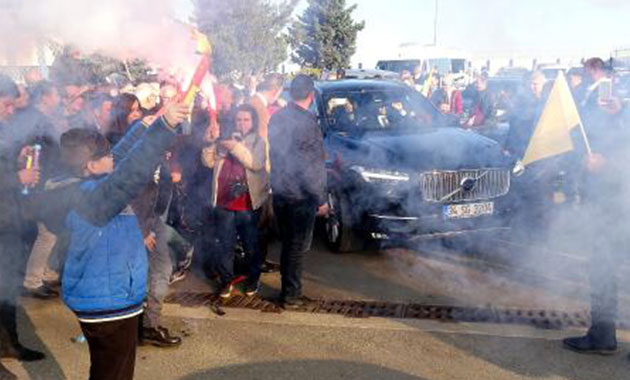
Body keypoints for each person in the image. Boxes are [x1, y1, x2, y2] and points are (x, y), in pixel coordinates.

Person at [33, 101, 189, 380]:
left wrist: (143, 126)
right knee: (114, 374)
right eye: (105, 156)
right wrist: (164, 128)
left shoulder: (79, 183)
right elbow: (130, 173)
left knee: (108, 370)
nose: (113, 158)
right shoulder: (93, 198)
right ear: (91, 165)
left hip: (104, 298)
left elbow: (119, 157)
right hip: (108, 305)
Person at [562, 57, 626, 356]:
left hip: (619, 198)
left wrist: (607, 165)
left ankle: (602, 335)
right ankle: (602, 335)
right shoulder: (618, 105)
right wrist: (618, 114)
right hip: (609, 201)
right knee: (602, 267)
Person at [268, 75, 328, 309]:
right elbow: (312, 165)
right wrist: (321, 198)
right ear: (311, 95)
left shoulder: (277, 118)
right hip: (301, 195)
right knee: (296, 246)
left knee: (289, 245)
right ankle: (291, 295)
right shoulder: (308, 123)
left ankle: (290, 290)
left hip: (282, 190)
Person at [0, 74, 45, 380]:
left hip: (8, 221)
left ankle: (8, 344)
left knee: (8, 288)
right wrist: (18, 178)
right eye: (5, 103)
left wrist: (18, 161)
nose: (10, 110)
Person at [201, 104, 269, 297]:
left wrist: (235, 147)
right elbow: (207, 162)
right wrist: (209, 144)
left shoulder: (258, 142)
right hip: (223, 202)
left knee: (251, 245)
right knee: (224, 244)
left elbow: (255, 163)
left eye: (246, 120)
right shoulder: (224, 138)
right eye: (239, 119)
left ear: (253, 122)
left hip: (247, 204)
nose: (242, 123)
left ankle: (253, 279)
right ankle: (226, 281)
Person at [249, 74, 284, 273]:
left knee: (260, 221)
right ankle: (257, 263)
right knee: (261, 221)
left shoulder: (254, 103)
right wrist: (269, 175)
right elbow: (263, 144)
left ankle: (258, 260)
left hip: (254, 169)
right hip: (258, 173)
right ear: (276, 90)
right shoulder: (259, 108)